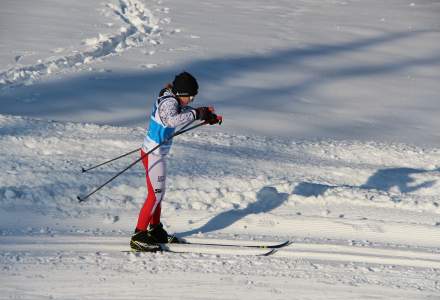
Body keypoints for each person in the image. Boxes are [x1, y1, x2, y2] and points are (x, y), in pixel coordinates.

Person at [130, 71, 220, 251]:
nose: (192, 99)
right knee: (155, 195)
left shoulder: (172, 98)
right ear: (180, 93)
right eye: (190, 96)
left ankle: (155, 230)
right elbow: (171, 120)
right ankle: (138, 236)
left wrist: (204, 114)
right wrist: (196, 113)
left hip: (155, 153)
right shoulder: (169, 103)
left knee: (158, 195)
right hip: (153, 154)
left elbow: (183, 111)